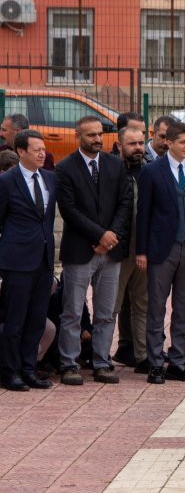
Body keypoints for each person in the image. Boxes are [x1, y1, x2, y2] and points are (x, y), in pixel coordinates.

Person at [55, 116, 133, 385]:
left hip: (111, 252)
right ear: (78, 136)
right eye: (91, 135)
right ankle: (69, 363)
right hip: (80, 250)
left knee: (106, 311)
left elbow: (125, 202)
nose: (97, 139)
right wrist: (100, 235)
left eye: (100, 134)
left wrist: (111, 237)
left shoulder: (114, 164)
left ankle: (102, 361)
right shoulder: (65, 168)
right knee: (73, 311)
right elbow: (69, 210)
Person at [137, 121, 185, 385]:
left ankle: (177, 361)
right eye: (183, 142)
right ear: (168, 142)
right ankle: (156, 363)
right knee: (157, 306)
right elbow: (143, 212)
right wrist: (142, 250)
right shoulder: (152, 171)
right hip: (161, 248)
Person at [0, 129, 58, 391]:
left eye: (43, 149)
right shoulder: (7, 181)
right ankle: (10, 372)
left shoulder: (48, 178)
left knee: (36, 319)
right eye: (36, 149)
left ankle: (29, 368)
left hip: (44, 260)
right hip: (17, 262)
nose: (42, 153)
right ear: (21, 151)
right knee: (15, 320)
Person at [112, 126, 151, 371]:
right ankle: (99, 356)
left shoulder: (151, 171)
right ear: (119, 146)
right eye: (132, 144)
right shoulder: (110, 170)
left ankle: (143, 356)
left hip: (145, 249)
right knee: (111, 306)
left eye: (141, 143)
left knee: (142, 304)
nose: (138, 148)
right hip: (116, 248)